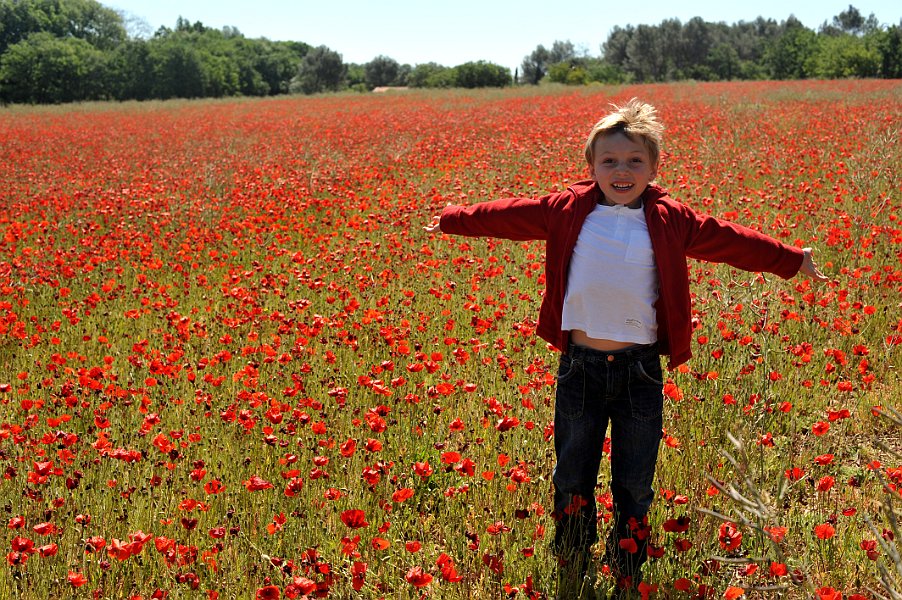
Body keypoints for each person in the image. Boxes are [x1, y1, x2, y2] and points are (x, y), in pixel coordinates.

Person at [425, 98, 827, 597]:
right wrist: (451, 219)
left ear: (654, 168)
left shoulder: (670, 219)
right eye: (609, 161)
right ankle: (572, 552)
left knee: (634, 479)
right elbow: (506, 215)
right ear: (590, 166)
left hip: (639, 372)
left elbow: (731, 241)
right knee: (573, 471)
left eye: (635, 161)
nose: (621, 171)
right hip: (580, 368)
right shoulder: (565, 210)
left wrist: (791, 259)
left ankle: (628, 558)